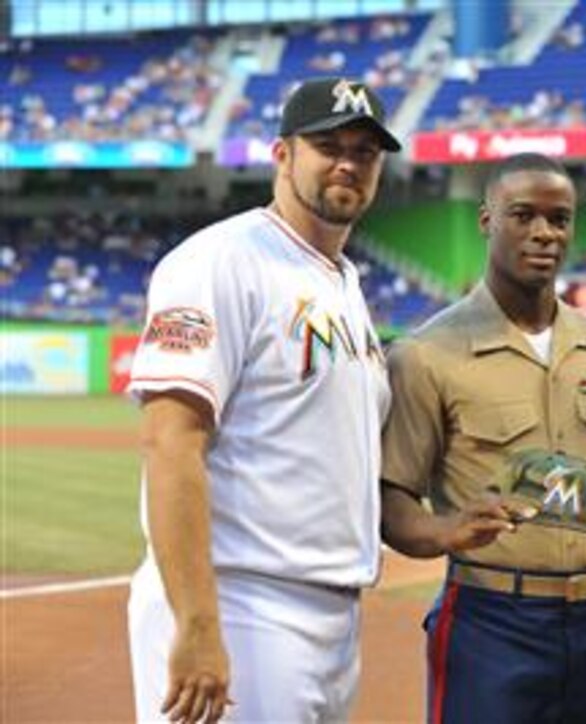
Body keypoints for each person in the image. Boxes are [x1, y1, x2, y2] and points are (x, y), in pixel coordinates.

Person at [126, 77, 402, 723]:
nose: (347, 163)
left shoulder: (343, 281)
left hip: (331, 611)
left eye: (364, 152)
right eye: (328, 145)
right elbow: (171, 442)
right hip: (243, 598)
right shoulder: (220, 261)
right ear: (282, 155)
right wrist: (196, 625)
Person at [379, 152, 586, 724]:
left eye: (559, 219)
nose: (544, 233)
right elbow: (392, 503)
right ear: (486, 219)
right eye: (523, 215)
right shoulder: (424, 355)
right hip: (490, 623)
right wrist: (446, 529)